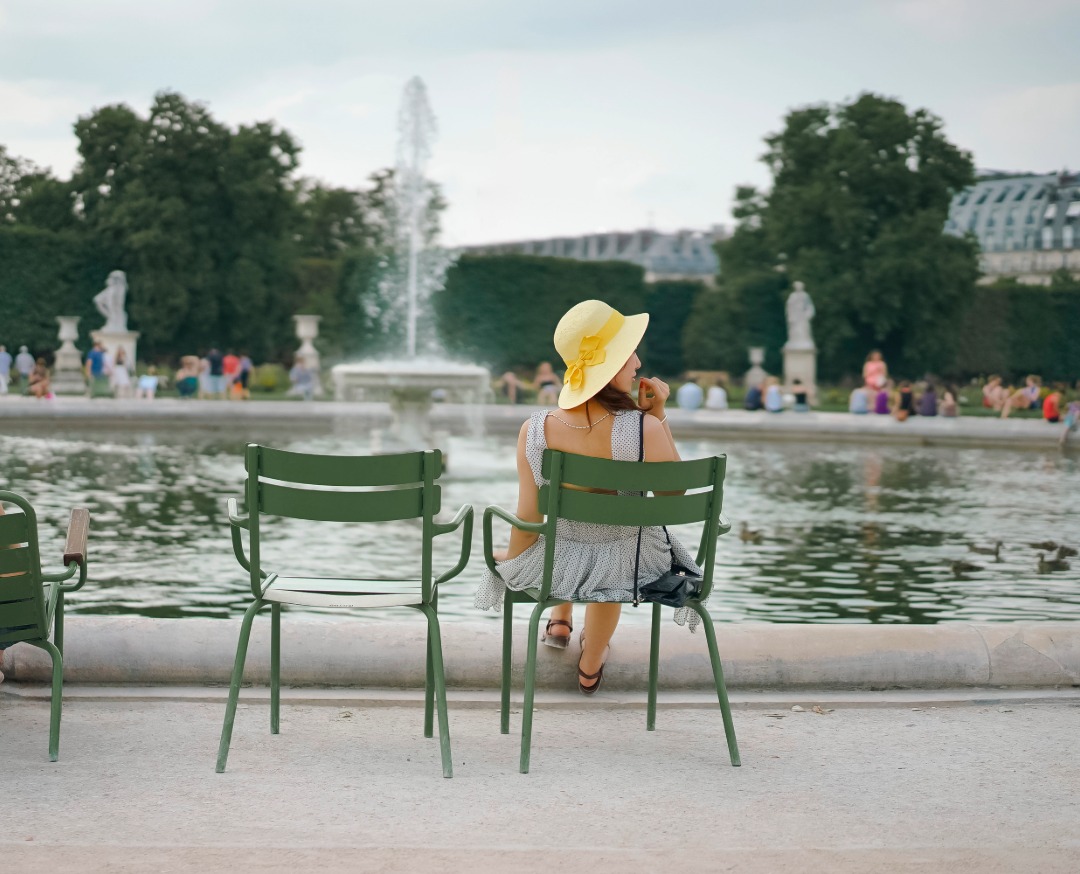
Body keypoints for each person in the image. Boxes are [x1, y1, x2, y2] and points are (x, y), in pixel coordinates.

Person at [475, 299, 702, 695]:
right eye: (630, 353)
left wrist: (514, 561)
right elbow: (672, 491)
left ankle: (560, 617)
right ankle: (591, 664)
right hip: (628, 562)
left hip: (559, 556)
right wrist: (659, 415)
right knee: (610, 558)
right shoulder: (641, 428)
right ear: (611, 365)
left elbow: (529, 515)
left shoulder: (535, 429)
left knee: (562, 544)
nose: (637, 364)